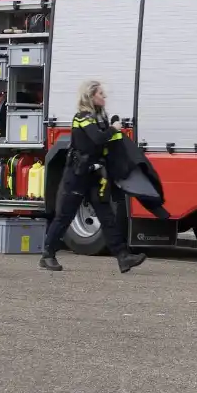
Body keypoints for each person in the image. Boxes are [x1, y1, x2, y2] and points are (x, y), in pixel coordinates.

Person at [39, 80, 147, 273]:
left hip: (96, 175)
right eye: (100, 94)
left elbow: (107, 143)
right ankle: (47, 255)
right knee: (65, 215)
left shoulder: (99, 118)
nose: (104, 97)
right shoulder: (82, 117)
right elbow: (97, 138)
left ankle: (123, 257)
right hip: (77, 174)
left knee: (107, 216)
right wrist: (113, 129)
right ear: (90, 97)